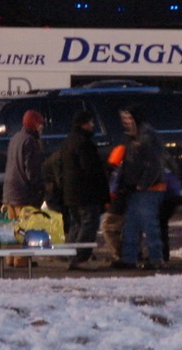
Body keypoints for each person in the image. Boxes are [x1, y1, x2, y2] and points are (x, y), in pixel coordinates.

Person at [113, 105, 166, 270]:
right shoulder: (134, 137)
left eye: (128, 118)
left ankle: (155, 258)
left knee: (148, 224)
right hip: (137, 189)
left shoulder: (146, 137)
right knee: (132, 224)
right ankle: (130, 258)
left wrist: (142, 183)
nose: (126, 121)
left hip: (149, 189)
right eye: (124, 118)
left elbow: (155, 164)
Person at [59, 109, 109, 269]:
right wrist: (103, 193)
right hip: (85, 193)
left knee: (76, 224)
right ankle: (80, 258)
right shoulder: (84, 143)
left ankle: (72, 255)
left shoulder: (69, 141)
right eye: (90, 122)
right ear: (84, 124)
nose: (92, 125)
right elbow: (92, 171)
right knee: (88, 224)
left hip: (71, 193)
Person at [2, 109, 46, 267]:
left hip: (9, 191)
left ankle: (10, 258)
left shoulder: (15, 138)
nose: (42, 128)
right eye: (40, 124)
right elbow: (31, 170)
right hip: (23, 192)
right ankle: (21, 260)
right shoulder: (30, 141)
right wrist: (39, 187)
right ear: (34, 124)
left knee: (12, 228)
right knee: (26, 227)